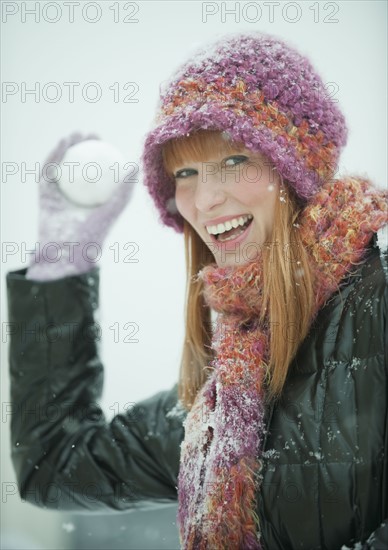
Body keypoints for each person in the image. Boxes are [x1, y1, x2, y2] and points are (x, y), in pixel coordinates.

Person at [6, 31, 388, 550]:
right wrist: (62, 265)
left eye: (234, 160)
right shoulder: (213, 407)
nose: (205, 199)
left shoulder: (377, 300)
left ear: (295, 169)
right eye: (184, 172)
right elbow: (54, 464)